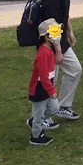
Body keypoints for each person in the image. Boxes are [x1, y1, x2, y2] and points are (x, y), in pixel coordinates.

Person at [41, 0, 83, 121]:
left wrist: (70, 31)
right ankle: (41, 117)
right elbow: (50, 24)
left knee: (75, 70)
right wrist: (57, 50)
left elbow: (64, 14)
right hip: (49, 43)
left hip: (61, 39)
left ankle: (64, 106)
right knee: (49, 79)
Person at [27, 18, 61, 146]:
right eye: (55, 33)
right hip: (40, 90)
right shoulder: (42, 53)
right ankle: (36, 136)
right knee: (40, 114)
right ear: (47, 37)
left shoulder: (49, 51)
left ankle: (35, 121)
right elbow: (43, 76)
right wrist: (51, 90)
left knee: (54, 108)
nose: (58, 36)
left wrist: (51, 88)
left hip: (47, 88)